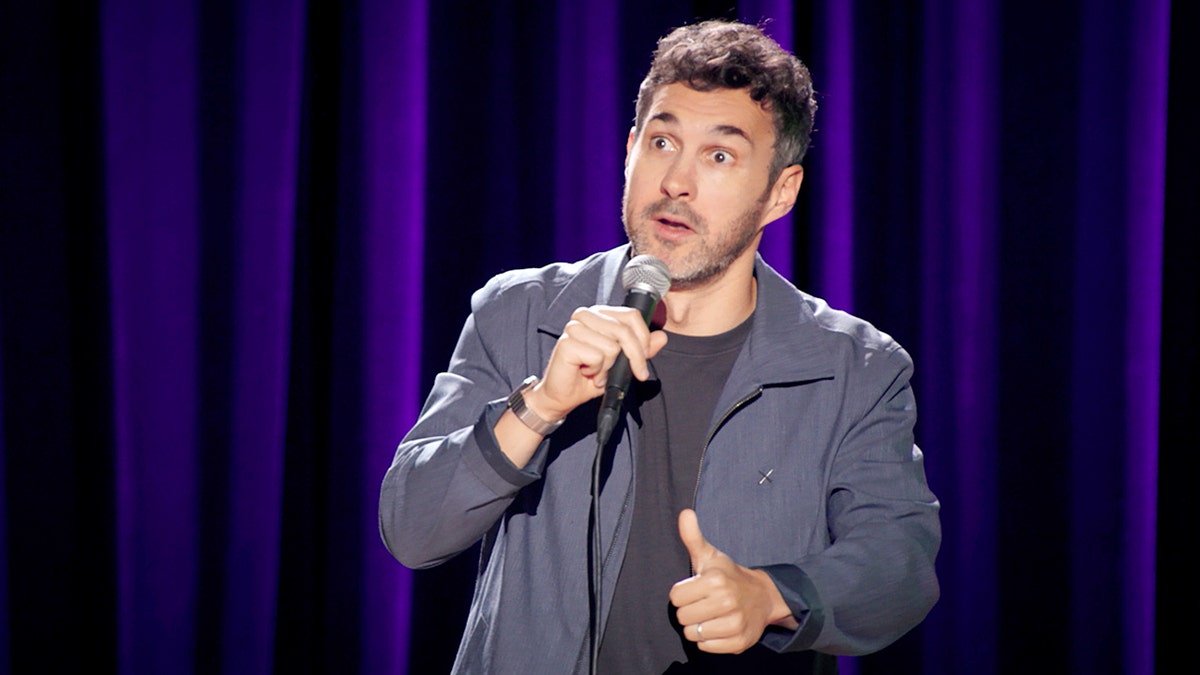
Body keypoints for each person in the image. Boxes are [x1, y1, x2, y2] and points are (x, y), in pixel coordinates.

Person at [379, 19, 939, 673]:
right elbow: (412, 530)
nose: (676, 180)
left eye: (719, 155)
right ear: (629, 150)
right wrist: (540, 407)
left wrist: (771, 595)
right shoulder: (524, 311)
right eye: (662, 141)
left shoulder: (853, 365)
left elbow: (899, 562)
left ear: (780, 193)